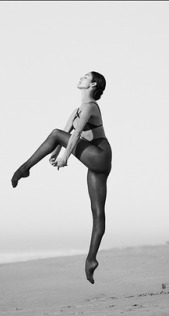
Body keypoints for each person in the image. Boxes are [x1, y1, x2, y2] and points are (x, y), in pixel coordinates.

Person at [11, 71, 112, 284]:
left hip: (100, 155)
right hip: (95, 160)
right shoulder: (76, 110)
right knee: (97, 213)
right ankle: (91, 260)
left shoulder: (91, 107)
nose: (81, 78)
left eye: (85, 77)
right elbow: (66, 132)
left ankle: (24, 168)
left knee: (55, 132)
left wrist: (65, 156)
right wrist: (56, 153)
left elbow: (73, 136)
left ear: (92, 84)